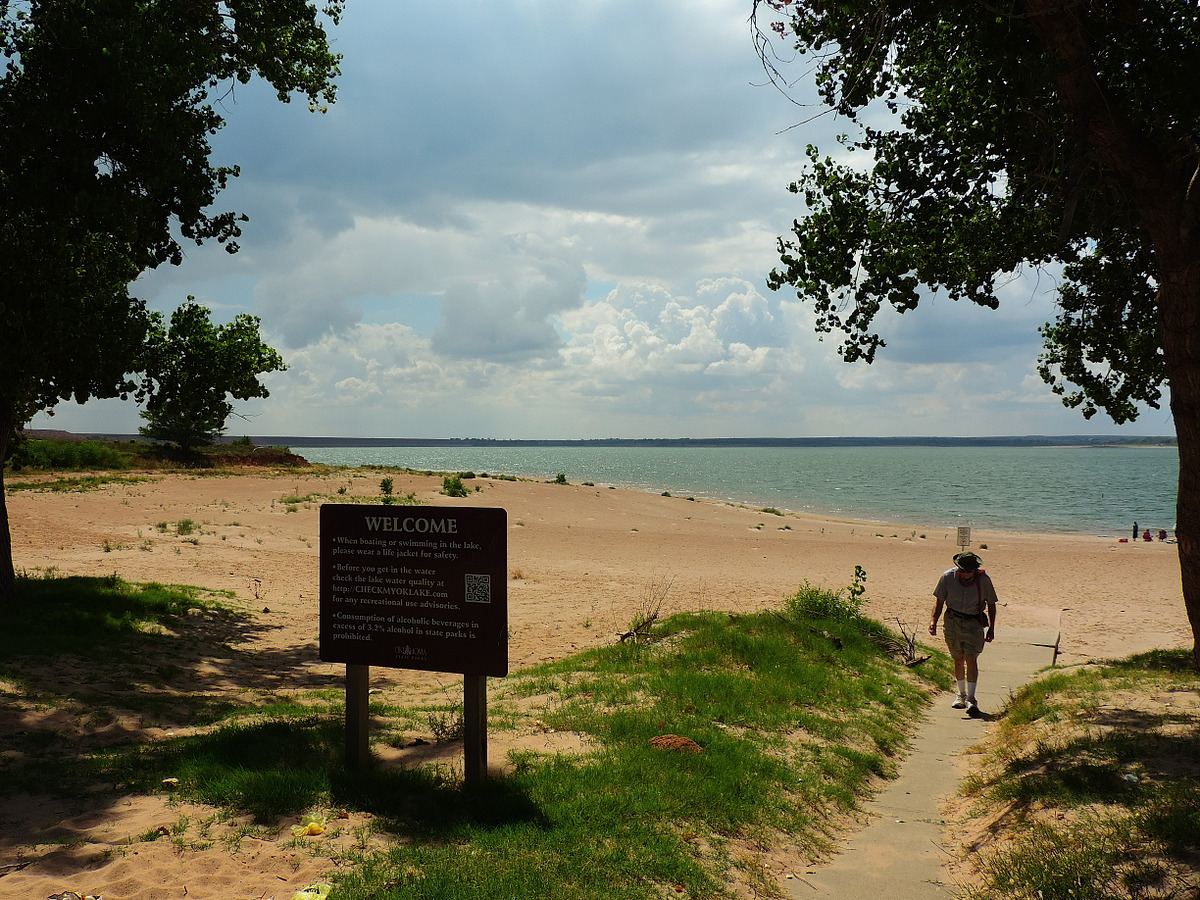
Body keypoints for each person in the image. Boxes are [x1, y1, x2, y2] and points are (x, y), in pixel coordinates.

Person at [929, 551, 998, 716]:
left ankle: (972, 699)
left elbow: (992, 604)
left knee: (971, 658)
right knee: (957, 658)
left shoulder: (984, 580)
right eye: (963, 570)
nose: (966, 574)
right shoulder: (947, 577)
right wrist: (933, 621)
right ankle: (961, 695)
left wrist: (992, 629)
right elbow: (939, 603)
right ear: (958, 568)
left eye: (970, 571)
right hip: (952, 621)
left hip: (974, 624)